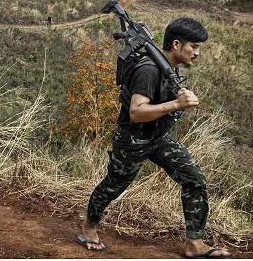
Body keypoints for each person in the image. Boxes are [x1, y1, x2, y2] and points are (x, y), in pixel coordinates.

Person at [78, 17, 231, 258]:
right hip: (133, 139)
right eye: (195, 47)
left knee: (195, 179)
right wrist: (176, 103)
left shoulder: (168, 67)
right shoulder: (149, 69)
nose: (197, 53)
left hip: (157, 137)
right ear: (177, 44)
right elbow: (137, 112)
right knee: (113, 186)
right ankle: (89, 226)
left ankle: (194, 243)